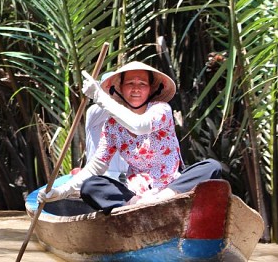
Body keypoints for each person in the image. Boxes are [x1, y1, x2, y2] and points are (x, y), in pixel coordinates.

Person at [39, 61, 222, 210]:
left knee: (212, 167)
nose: (136, 89)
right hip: (136, 195)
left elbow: (139, 126)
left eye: (142, 84)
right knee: (91, 186)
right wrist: (61, 191)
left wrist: (100, 97)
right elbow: (96, 166)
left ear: (150, 89)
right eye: (130, 84)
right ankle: (134, 206)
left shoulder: (161, 109)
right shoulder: (111, 126)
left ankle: (160, 201)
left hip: (171, 187)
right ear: (120, 88)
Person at [84, 71, 128, 181]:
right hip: (103, 177)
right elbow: (110, 106)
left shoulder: (130, 113)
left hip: (129, 178)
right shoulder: (94, 111)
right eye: (111, 87)